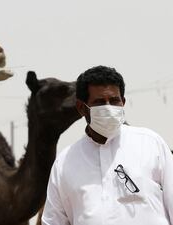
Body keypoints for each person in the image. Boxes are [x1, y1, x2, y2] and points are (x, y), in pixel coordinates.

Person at [41, 65, 173, 225]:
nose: (109, 108)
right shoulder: (65, 163)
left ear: (123, 102)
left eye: (114, 101)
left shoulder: (151, 144)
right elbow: (53, 220)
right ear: (82, 108)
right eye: (100, 102)